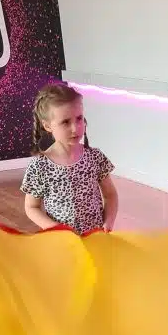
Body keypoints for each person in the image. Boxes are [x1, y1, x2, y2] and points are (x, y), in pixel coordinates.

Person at [21, 83, 118, 235]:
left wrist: (109, 221)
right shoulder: (40, 166)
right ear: (47, 126)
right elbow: (31, 207)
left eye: (79, 118)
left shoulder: (95, 157)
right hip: (62, 241)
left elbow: (110, 195)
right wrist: (55, 228)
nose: (75, 128)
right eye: (65, 122)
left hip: (95, 236)